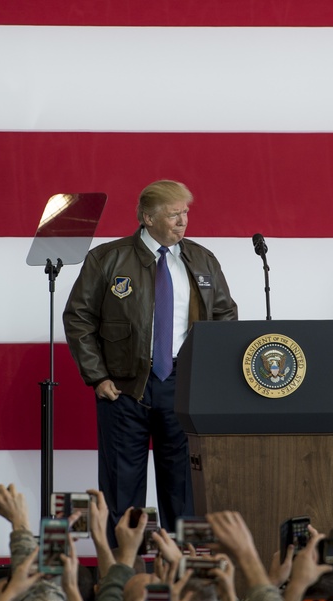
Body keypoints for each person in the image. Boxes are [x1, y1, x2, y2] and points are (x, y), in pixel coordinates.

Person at [63, 180, 237, 537]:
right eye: (173, 215)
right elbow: (78, 317)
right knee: (121, 491)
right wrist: (97, 377)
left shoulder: (202, 260)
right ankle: (122, 578)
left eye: (185, 213)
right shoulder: (108, 258)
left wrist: (209, 379)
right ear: (147, 218)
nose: (182, 221)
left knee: (185, 490)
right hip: (124, 390)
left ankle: (184, 573)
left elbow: (225, 317)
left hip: (184, 388)